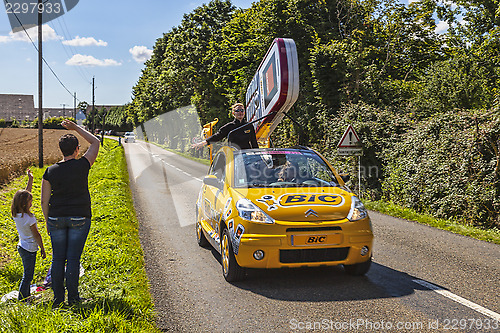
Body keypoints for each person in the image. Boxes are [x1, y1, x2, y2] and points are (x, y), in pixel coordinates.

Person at [41, 119, 100, 307]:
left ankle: (58, 299)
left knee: (58, 258)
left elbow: (44, 200)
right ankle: (73, 298)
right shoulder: (83, 165)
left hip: (56, 218)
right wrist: (75, 127)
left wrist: (47, 222)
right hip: (80, 217)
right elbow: (96, 142)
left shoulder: (50, 171)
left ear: (61, 150)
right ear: (76, 149)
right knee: (73, 259)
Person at [11, 169, 46, 302]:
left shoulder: (17, 214)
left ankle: (26, 296)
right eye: (30, 201)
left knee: (28, 274)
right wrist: (42, 248)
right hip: (30, 249)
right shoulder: (29, 219)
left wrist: (30, 179)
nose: (32, 203)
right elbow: (37, 235)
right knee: (28, 276)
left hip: (22, 247)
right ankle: (22, 299)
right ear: (26, 204)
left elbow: (24, 195)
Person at [192, 103, 258, 150]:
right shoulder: (229, 126)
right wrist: (203, 143)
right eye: (237, 111)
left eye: (242, 110)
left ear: (244, 112)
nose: (240, 112)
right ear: (233, 113)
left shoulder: (249, 126)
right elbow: (218, 136)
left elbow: (254, 142)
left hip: (247, 155)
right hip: (234, 155)